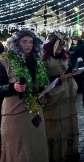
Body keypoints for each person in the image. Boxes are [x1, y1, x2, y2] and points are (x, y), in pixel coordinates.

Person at [0, 29, 50, 162]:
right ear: (16, 43)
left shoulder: (36, 62)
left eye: (31, 42)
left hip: (35, 111)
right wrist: (13, 87)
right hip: (15, 113)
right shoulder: (5, 61)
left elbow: (37, 83)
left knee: (37, 147)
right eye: (24, 42)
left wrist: (44, 87)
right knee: (19, 150)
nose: (28, 45)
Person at [42, 33, 80, 162]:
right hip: (54, 97)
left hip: (66, 96)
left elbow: (66, 68)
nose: (61, 49)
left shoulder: (64, 57)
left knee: (67, 124)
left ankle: (68, 151)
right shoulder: (45, 60)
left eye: (63, 46)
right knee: (55, 128)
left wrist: (72, 71)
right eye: (59, 46)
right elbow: (43, 80)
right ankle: (55, 154)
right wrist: (59, 79)